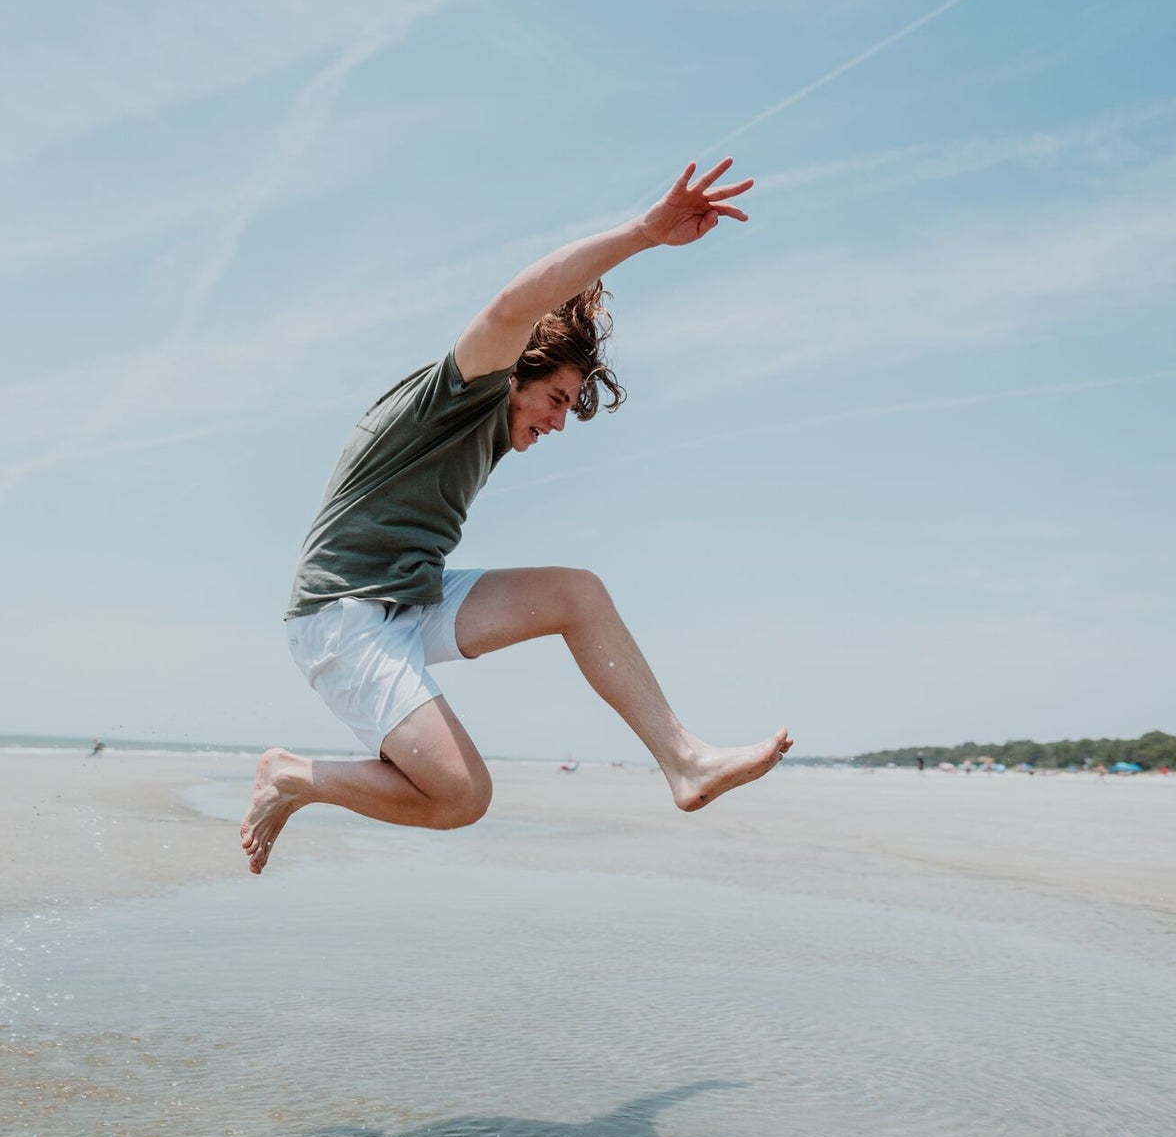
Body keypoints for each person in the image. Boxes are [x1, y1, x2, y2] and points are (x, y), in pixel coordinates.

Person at [241, 160, 792, 874]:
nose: (560, 421)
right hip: (340, 615)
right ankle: (291, 776)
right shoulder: (460, 391)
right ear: (518, 372)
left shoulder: (484, 428)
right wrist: (646, 233)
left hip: (406, 598)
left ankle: (684, 762)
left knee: (577, 594)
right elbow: (512, 306)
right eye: (557, 398)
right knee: (461, 797)